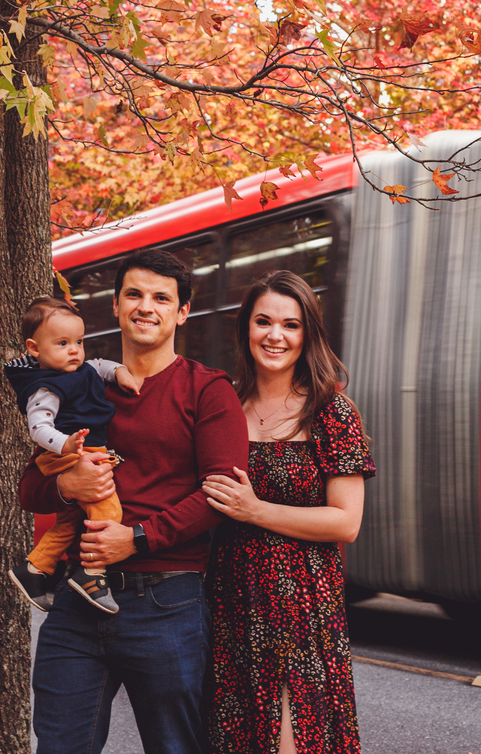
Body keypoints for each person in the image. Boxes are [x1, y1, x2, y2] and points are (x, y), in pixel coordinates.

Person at [19, 248, 249, 754]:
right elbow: (27, 489)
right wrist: (66, 487)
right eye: (135, 295)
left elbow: (220, 495)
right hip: (78, 604)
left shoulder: (208, 391)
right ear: (117, 307)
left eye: (161, 298)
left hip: (168, 605)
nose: (147, 306)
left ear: (181, 312)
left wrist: (137, 539)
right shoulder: (77, 383)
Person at [202, 270, 375, 754]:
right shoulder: (224, 406)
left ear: (307, 335)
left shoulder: (330, 411)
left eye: (291, 324)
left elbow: (346, 521)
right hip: (230, 600)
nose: (275, 335)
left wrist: (255, 510)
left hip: (301, 605)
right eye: (263, 321)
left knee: (293, 738)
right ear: (246, 329)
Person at [5, 296, 142, 614]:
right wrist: (65, 444)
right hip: (67, 454)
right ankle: (92, 573)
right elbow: (38, 429)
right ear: (35, 349)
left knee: (70, 520)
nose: (74, 350)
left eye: (79, 341)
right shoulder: (45, 388)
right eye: (63, 343)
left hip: (83, 452)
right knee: (108, 509)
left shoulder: (81, 369)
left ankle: (34, 569)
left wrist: (119, 371)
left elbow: (100, 366)